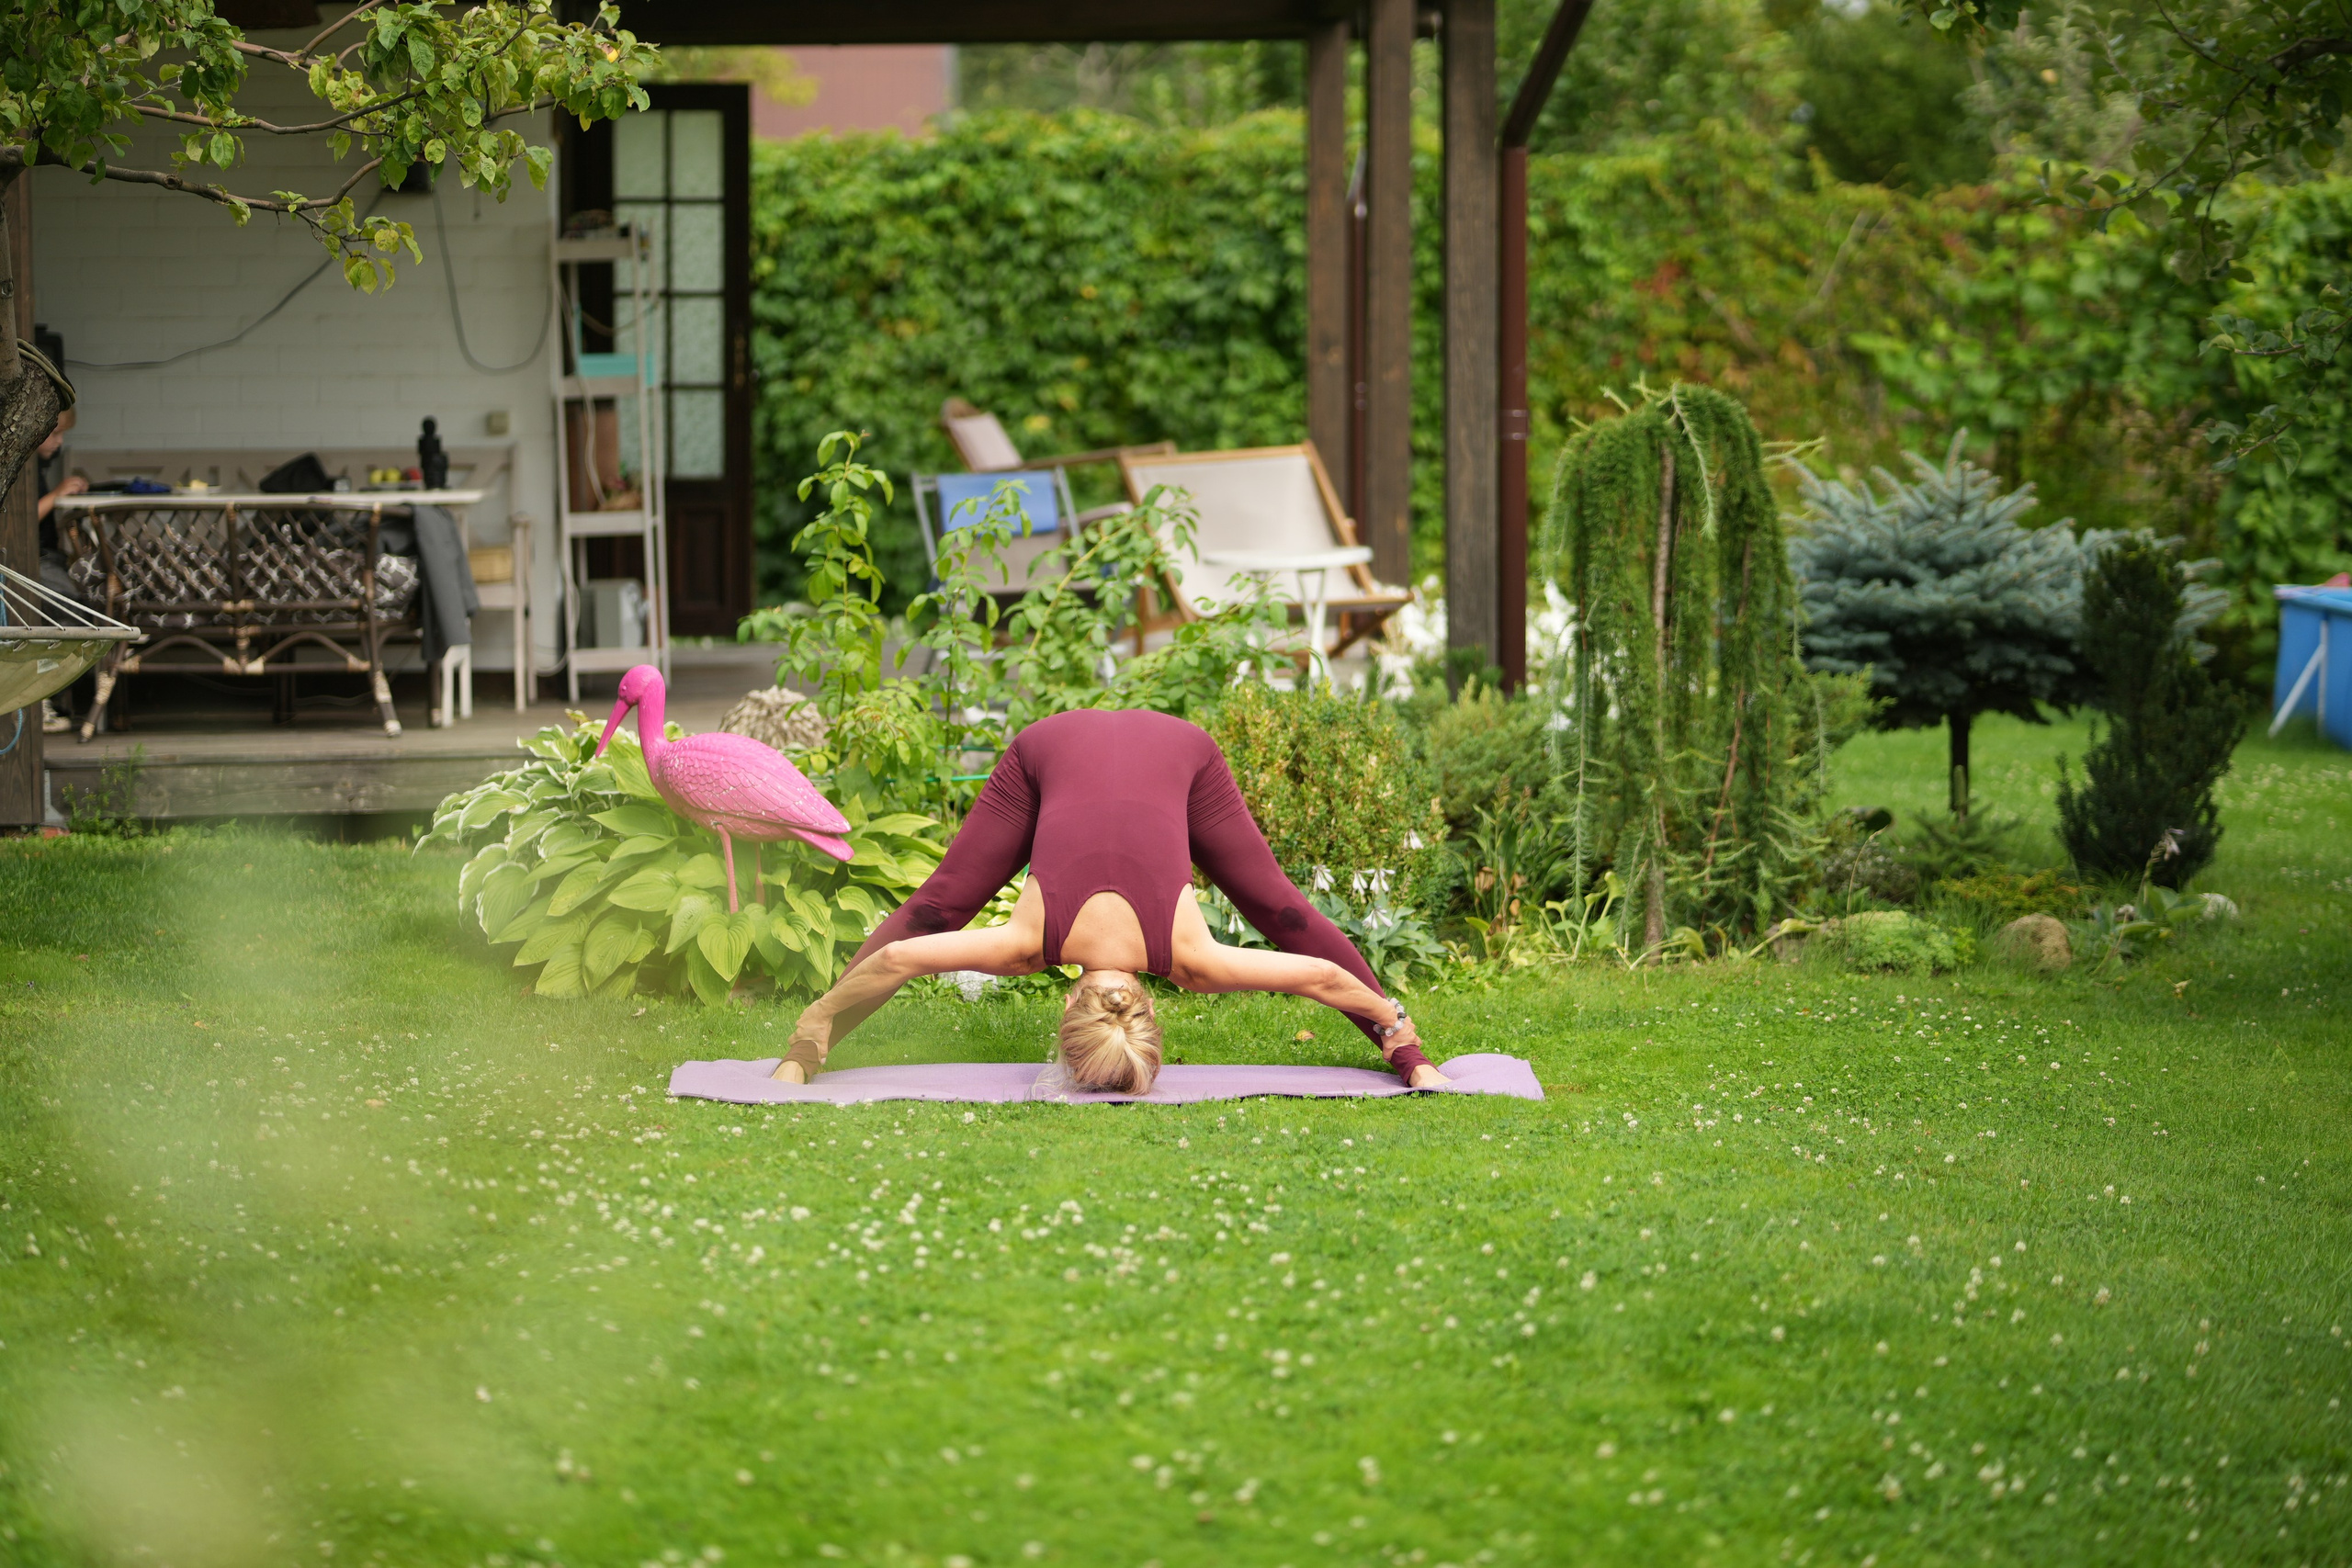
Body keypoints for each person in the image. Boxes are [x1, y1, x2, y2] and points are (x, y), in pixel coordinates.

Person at [772, 707, 1442, 1093]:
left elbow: (1320, 977)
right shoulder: (1027, 948)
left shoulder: (1191, 961)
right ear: (1069, 1007)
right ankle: (810, 1050)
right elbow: (902, 955)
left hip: (1093, 748)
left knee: (1281, 910)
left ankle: (810, 1052)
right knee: (937, 908)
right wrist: (814, 1025)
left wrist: (1398, 1030)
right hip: (1132, 750)